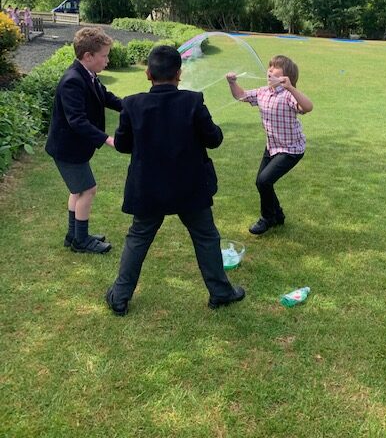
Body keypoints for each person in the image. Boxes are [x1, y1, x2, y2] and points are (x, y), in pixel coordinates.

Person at [106, 45, 245, 316]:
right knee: (205, 236)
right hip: (189, 188)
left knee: (138, 238)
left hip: (148, 189)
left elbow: (122, 145)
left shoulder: (132, 104)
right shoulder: (193, 101)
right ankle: (220, 292)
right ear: (178, 74)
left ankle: (120, 296)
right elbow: (214, 139)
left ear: (148, 74)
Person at [45, 27, 123, 253]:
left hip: (72, 148)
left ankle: (74, 235)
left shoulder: (87, 74)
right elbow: (76, 121)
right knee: (88, 190)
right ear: (88, 56)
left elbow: (105, 97)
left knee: (78, 191)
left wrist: (133, 106)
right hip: (67, 149)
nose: (107, 60)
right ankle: (81, 241)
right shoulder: (73, 80)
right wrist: (108, 139)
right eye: (104, 56)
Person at [226, 55, 313, 235]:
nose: (270, 70)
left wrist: (290, 87)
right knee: (262, 183)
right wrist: (232, 83)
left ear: (286, 75)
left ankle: (267, 218)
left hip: (291, 149)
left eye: (275, 67)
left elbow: (307, 107)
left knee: (264, 180)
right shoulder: (263, 92)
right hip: (272, 147)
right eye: (270, 67)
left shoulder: (289, 95)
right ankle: (278, 215)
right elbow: (241, 95)